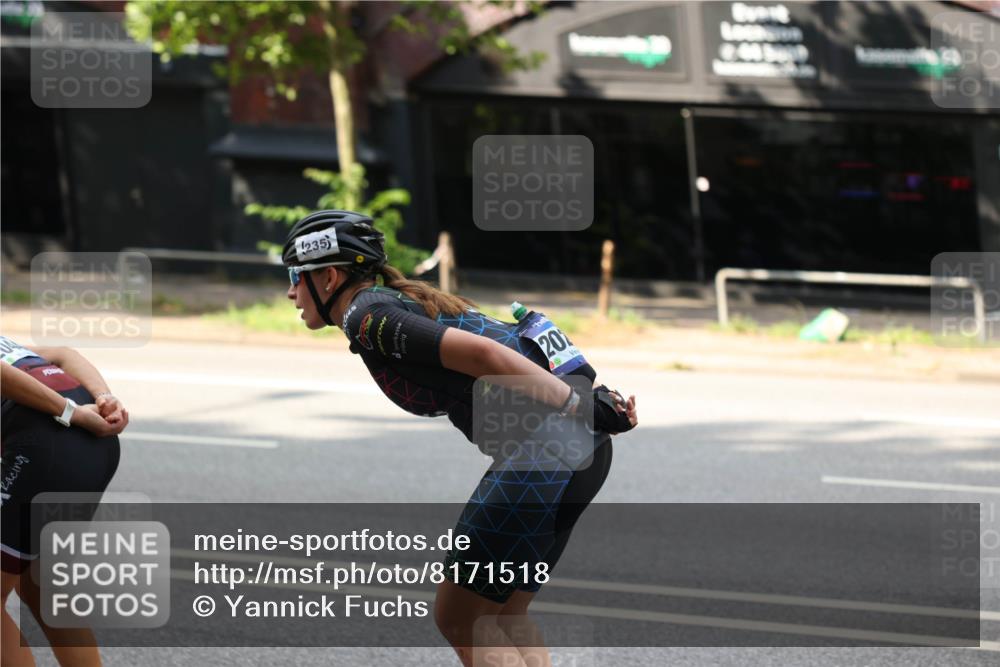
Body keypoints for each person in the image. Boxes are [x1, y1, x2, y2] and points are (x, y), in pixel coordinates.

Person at [283, 210, 637, 666]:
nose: (291, 291)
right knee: (507, 614)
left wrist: (578, 403)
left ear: (328, 277)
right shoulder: (401, 300)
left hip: (548, 450)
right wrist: (584, 402)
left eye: (295, 276)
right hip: (582, 450)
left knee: (460, 618)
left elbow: (485, 353)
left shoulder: (365, 315)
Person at [1, 336, 128, 667]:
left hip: (49, 440)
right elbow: (62, 354)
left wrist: (70, 413)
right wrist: (105, 397)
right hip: (94, 442)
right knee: (44, 588)